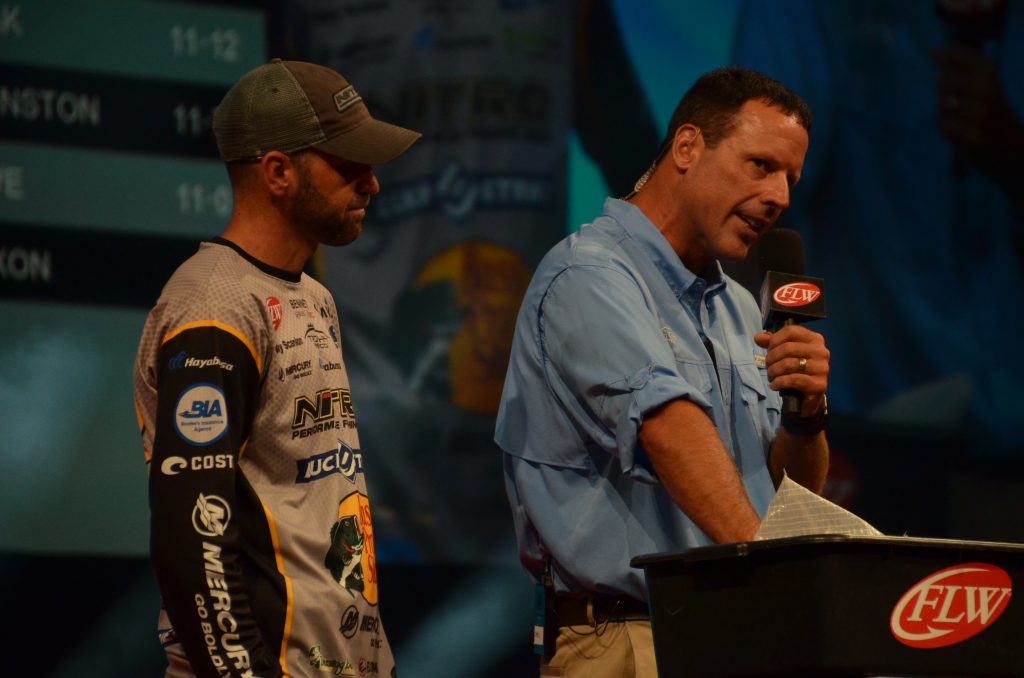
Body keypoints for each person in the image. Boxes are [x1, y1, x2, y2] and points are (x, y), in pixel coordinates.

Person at [495, 67, 830, 676]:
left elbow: (789, 499)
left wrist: (805, 418)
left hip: (738, 636)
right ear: (687, 147)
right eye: (760, 165)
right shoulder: (588, 276)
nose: (780, 196)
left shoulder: (740, 307)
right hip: (630, 637)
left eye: (790, 178)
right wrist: (771, 580)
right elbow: (671, 430)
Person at [133, 59, 420, 677]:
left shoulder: (313, 297)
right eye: (350, 163)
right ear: (278, 172)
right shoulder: (213, 306)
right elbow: (194, 536)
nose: (372, 184)